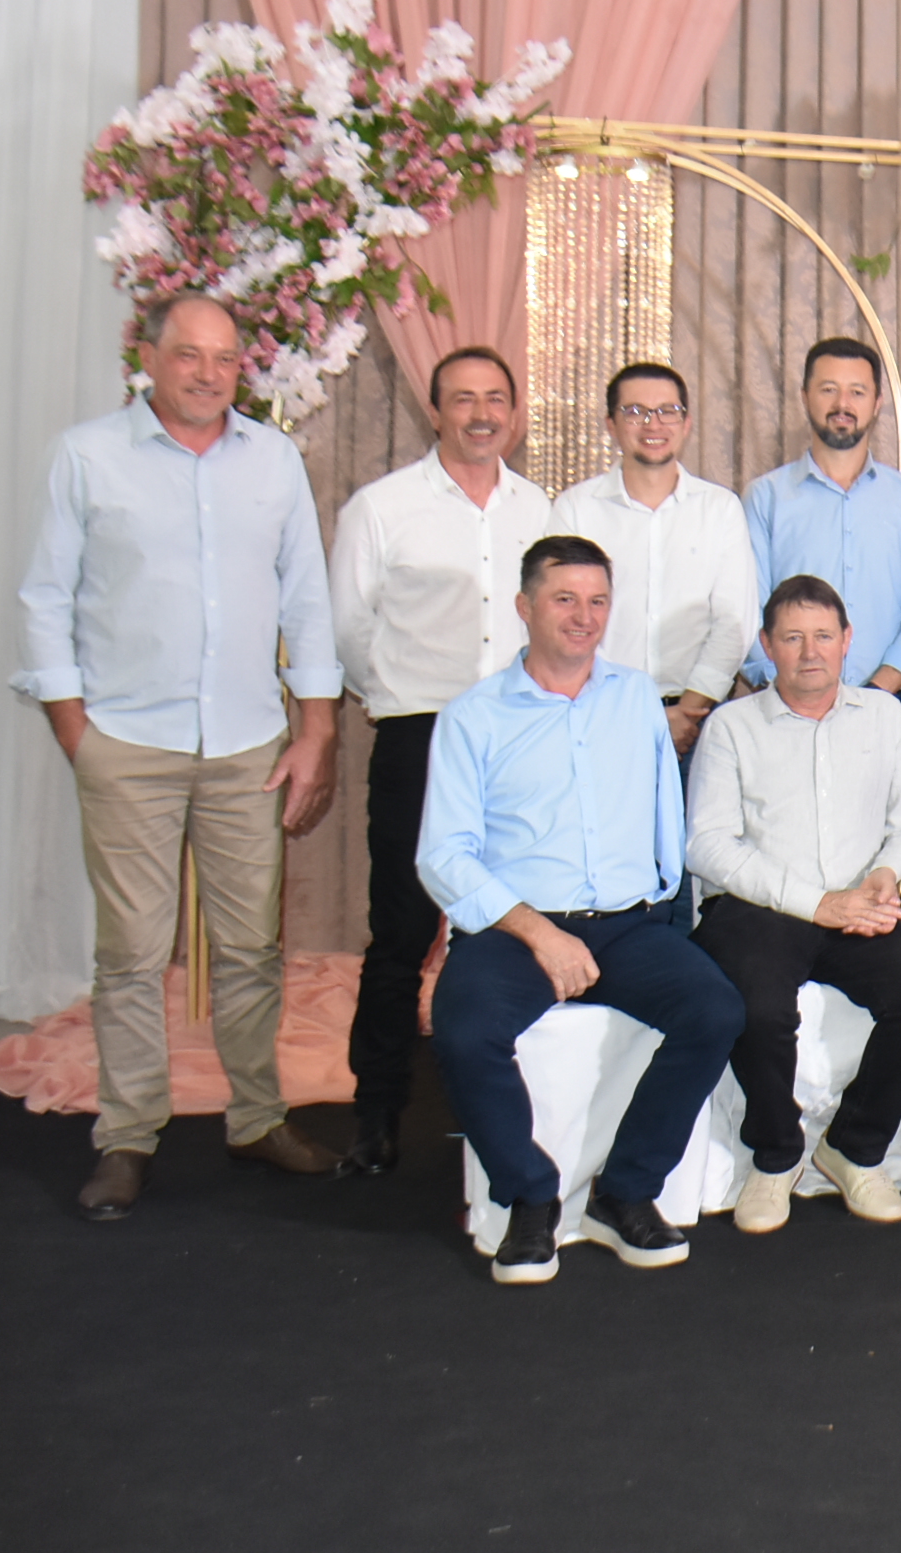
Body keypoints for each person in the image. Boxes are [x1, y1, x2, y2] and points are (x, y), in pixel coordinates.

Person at [14, 293, 345, 1218]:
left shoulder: (272, 459)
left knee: (251, 949)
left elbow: (306, 597)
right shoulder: (88, 456)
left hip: (248, 744)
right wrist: (74, 729)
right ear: (149, 358)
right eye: (190, 355)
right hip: (125, 741)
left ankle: (257, 1120)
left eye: (226, 358)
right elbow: (46, 597)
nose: (208, 373)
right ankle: (127, 1137)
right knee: (131, 954)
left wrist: (316, 728)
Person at [418, 536, 744, 1285]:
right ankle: (529, 1197)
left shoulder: (636, 697)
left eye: (598, 601)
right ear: (524, 606)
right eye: (564, 599)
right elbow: (444, 855)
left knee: (715, 1010)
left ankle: (625, 1189)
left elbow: (664, 811)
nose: (584, 616)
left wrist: (665, 907)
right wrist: (538, 933)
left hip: (628, 924)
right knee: (464, 1031)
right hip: (514, 929)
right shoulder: (473, 716)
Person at [329, 343, 555, 1176]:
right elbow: (350, 633)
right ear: (434, 411)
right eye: (463, 398)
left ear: (514, 414)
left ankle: (488, 1106)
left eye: (495, 398)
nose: (481, 414)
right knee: (402, 929)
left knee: (502, 924)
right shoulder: (382, 508)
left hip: (518, 737)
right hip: (419, 733)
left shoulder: (539, 508)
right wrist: (402, 694)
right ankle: (377, 1112)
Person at [686, 575, 901, 1235]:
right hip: (757, 908)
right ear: (767, 645)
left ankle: (853, 1147)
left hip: (858, 904)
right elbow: (707, 846)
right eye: (793, 638)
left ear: (847, 640)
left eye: (824, 636)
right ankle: (775, 1156)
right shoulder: (731, 726)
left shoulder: (882, 716)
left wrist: (885, 873)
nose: (810, 652)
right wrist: (816, 902)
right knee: (759, 1006)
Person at [548, 362, 760, 763]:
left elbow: (734, 623)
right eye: (635, 412)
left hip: (696, 724)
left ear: (686, 423)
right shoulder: (575, 509)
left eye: (667, 411)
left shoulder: (719, 509)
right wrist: (631, 717)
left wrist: (685, 714)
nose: (653, 424)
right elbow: (559, 619)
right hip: (598, 718)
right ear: (611, 425)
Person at [743, 336, 901, 721]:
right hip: (789, 708)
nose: (842, 404)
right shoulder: (765, 497)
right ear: (805, 397)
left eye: (857, 392)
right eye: (828, 390)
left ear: (877, 403)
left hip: (887, 707)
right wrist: (790, 689)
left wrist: (877, 692)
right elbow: (749, 611)